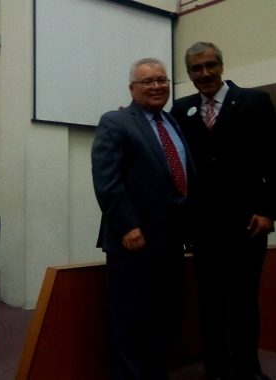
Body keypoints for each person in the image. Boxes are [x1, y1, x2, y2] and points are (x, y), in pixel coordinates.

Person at [171, 42, 276, 380]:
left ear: (221, 66)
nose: (204, 74)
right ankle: (217, 368)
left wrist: (268, 211)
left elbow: (275, 161)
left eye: (210, 66)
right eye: (196, 69)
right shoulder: (182, 109)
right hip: (204, 228)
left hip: (248, 223)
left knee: (245, 301)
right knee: (210, 303)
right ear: (189, 73)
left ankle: (248, 368)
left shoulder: (255, 101)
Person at [91, 58, 195, 380]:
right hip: (132, 242)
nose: (156, 86)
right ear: (132, 88)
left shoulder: (174, 123)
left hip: (171, 242)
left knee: (165, 319)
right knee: (130, 322)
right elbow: (107, 182)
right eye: (148, 81)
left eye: (162, 80)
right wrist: (128, 226)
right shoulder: (116, 121)